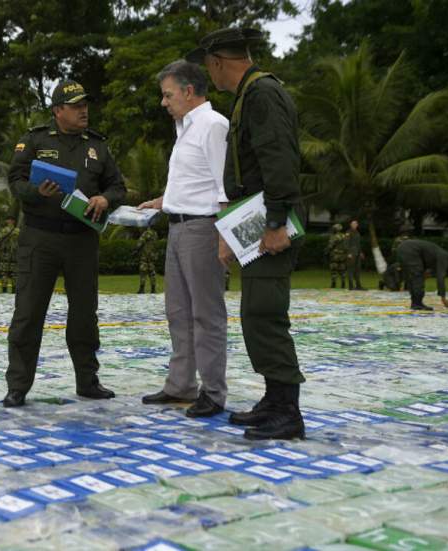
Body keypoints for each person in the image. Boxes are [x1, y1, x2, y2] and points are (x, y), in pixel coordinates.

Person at [189, 27, 305, 440]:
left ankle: (287, 411)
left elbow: (278, 160)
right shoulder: (250, 95)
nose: (210, 73)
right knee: (256, 312)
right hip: (256, 218)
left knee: (266, 313)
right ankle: (275, 399)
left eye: (209, 65)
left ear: (218, 62)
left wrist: (275, 223)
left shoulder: (261, 94)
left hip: (269, 220)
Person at [3, 78, 126, 408]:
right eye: (76, 106)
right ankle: (18, 386)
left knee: (85, 315)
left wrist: (104, 199)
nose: (84, 111)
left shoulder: (98, 146)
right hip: (40, 237)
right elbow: (14, 179)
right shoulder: (35, 140)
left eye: (85, 105)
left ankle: (88, 381)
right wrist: (34, 192)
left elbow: (117, 187)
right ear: (58, 111)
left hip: (82, 239)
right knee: (28, 313)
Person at [137, 60, 229, 417]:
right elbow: (197, 181)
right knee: (178, 312)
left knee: (207, 314)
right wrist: (165, 201)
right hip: (177, 227)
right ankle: (180, 386)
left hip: (203, 230)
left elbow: (223, 186)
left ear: (189, 92)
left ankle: (213, 391)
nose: (164, 102)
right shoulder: (185, 128)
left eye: (168, 94)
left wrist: (223, 235)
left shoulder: (212, 125)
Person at [396, 239, 448, 310]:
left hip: (402, 248)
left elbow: (425, 261)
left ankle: (415, 302)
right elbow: (440, 277)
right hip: (411, 249)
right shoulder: (445, 257)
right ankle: (417, 304)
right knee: (417, 277)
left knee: (412, 277)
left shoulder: (438, 253)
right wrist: (443, 297)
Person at [0, 215, 20, 293]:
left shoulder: (3, 231)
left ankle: (5, 291)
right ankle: (13, 290)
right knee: (14, 274)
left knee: (5, 273)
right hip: (14, 255)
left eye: (9, 220)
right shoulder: (18, 231)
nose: (9, 221)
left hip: (6, 255)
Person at [136, 226, 159, 294]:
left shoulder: (146, 233)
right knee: (152, 272)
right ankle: (153, 289)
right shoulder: (155, 233)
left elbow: (140, 243)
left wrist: (136, 250)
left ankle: (142, 289)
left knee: (143, 272)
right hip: (152, 255)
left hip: (145, 255)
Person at [325, 223, 348, 289]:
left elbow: (330, 246)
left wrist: (326, 252)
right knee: (342, 269)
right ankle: (343, 283)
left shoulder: (334, 236)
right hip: (343, 256)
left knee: (333, 269)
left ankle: (333, 283)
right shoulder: (344, 236)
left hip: (335, 255)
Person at [345, 219, 365, 290]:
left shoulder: (357, 233)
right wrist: (348, 253)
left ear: (357, 225)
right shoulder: (348, 232)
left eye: (356, 224)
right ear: (351, 225)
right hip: (351, 254)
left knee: (358, 269)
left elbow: (358, 244)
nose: (355, 225)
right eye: (353, 224)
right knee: (350, 269)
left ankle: (358, 285)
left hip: (357, 254)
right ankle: (351, 286)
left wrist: (361, 252)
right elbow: (346, 243)